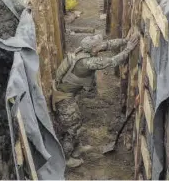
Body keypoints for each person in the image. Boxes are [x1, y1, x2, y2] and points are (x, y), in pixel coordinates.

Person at [52, 32, 139, 168]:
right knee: (72, 127)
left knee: (77, 123)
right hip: (63, 98)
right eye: (98, 46)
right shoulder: (87, 62)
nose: (101, 46)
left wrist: (125, 40)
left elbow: (108, 44)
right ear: (93, 49)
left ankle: (77, 148)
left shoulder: (84, 50)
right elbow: (113, 61)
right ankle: (66, 158)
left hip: (68, 93)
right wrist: (128, 48)